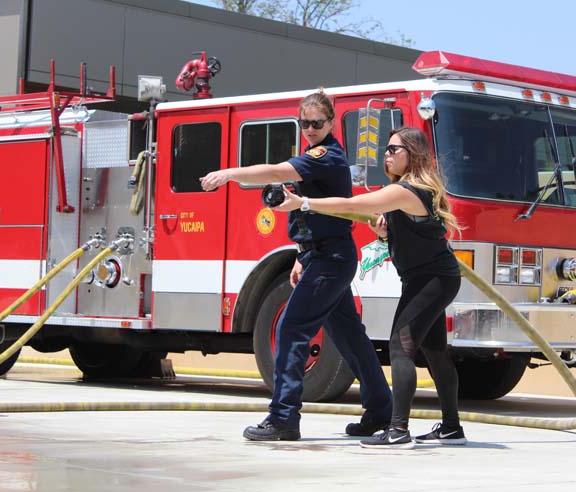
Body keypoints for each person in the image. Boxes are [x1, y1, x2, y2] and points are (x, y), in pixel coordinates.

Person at [200, 89, 392, 441]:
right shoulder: (314, 156)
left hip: (331, 258)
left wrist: (228, 173)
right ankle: (381, 410)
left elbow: (275, 169)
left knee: (291, 328)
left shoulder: (325, 156)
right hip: (322, 256)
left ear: (331, 122)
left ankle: (284, 417)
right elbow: (309, 210)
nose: (309, 129)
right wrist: (302, 257)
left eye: (316, 123)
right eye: (304, 123)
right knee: (350, 336)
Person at [272, 126, 467, 449]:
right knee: (435, 352)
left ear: (413, 156)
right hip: (434, 279)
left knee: (400, 348)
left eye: (394, 150)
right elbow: (412, 234)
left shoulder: (406, 191)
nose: (386, 155)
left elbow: (353, 204)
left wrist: (302, 203)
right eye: (387, 149)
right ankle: (450, 427)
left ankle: (399, 430)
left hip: (429, 281)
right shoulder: (414, 191)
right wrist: (387, 230)